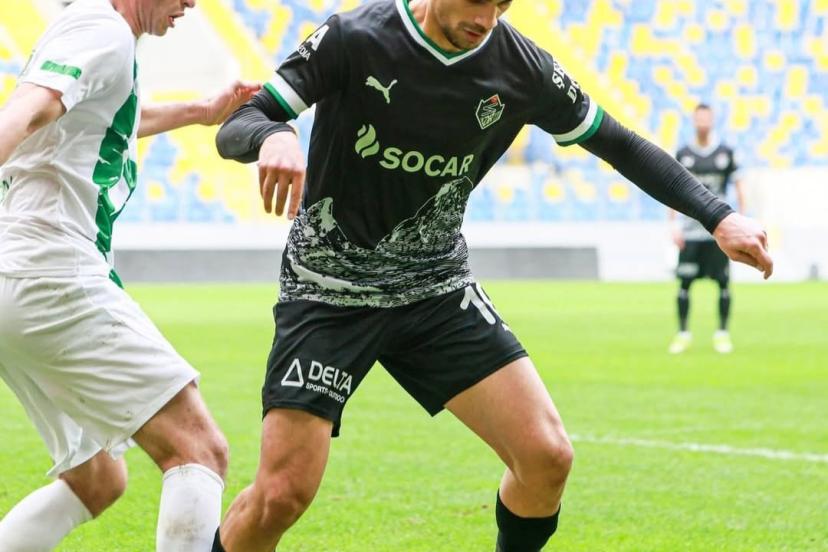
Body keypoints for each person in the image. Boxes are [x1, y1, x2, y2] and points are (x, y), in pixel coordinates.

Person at [211, 0, 773, 550]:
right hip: (329, 292)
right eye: (477, 1)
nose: (486, 20)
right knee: (281, 496)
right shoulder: (354, 37)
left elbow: (617, 143)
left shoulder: (523, 68)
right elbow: (241, 121)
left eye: (502, 4)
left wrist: (718, 216)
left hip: (435, 290)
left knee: (546, 458)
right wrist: (274, 134)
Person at [0, 0, 259, 550]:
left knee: (96, 478)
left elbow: (105, 118)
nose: (192, 3)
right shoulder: (104, 29)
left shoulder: (97, 33)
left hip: (16, 278)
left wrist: (200, 111)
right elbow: (30, 109)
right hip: (50, 272)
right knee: (198, 448)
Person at [668, 104, 746, 355]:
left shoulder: (726, 153)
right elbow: (670, 190)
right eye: (699, 118)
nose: (702, 122)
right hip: (690, 232)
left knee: (723, 284)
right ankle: (683, 333)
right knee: (684, 284)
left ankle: (722, 333)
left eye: (706, 118)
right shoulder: (683, 154)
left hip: (718, 232)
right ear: (693, 121)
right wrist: (673, 225)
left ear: (712, 120)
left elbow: (739, 188)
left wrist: (741, 222)